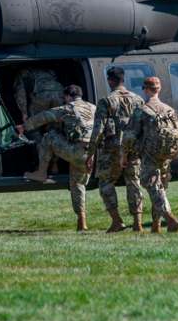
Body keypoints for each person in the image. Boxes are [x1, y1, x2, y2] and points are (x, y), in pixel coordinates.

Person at [122, 77, 178, 233]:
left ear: (145, 90)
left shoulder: (142, 110)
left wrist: (124, 156)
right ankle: (156, 225)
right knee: (161, 187)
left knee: (154, 186)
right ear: (159, 89)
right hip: (168, 153)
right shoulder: (169, 110)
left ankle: (169, 218)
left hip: (150, 154)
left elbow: (129, 136)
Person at [21, 85, 96, 231]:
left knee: (49, 136)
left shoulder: (67, 108)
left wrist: (24, 127)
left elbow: (43, 117)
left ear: (68, 97)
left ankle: (41, 172)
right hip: (91, 153)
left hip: (76, 151)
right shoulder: (93, 108)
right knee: (78, 185)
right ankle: (82, 223)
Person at [86, 66, 145, 232]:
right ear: (123, 79)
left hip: (112, 150)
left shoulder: (107, 101)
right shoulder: (138, 99)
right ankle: (138, 222)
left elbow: (98, 129)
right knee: (134, 182)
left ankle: (117, 221)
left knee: (105, 183)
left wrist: (91, 154)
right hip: (133, 149)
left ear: (110, 80)